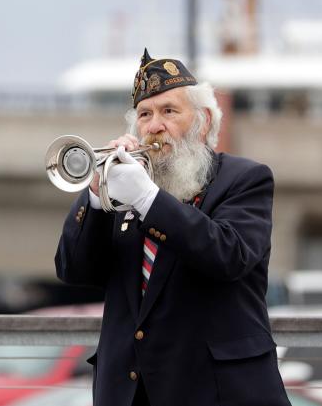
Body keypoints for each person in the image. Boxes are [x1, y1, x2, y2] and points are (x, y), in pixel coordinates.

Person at [55, 49, 290, 406]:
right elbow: (72, 270)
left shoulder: (245, 180)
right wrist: (97, 199)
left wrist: (148, 198)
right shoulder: (124, 188)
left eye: (169, 111)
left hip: (216, 392)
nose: (154, 126)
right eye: (145, 115)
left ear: (203, 121)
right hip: (131, 394)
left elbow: (228, 255)